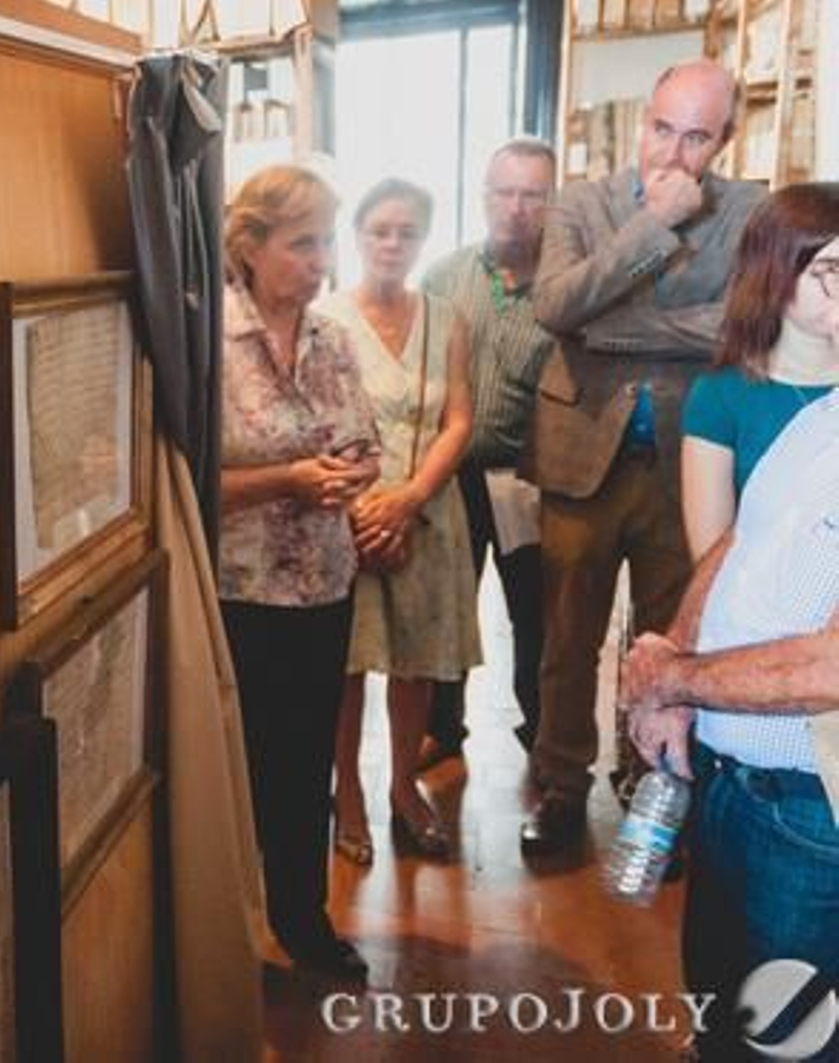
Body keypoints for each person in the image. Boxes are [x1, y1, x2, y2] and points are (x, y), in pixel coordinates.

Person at [519, 60, 765, 856]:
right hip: (581, 454)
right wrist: (651, 225)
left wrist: (608, 322)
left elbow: (739, 329)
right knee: (567, 637)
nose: (675, 151)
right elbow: (556, 306)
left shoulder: (752, 213)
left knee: (668, 641)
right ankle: (559, 787)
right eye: (663, 128)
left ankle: (648, 782)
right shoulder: (581, 203)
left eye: (697, 136)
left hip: (689, 466)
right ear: (642, 122)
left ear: (724, 139)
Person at [620, 212, 839, 1055]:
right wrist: (677, 647)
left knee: (785, 1034)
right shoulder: (819, 417)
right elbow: (739, 541)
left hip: (809, 813)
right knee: (717, 1005)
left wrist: (676, 679)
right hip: (726, 777)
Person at [218, 165, 382, 982]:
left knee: (306, 756)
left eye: (326, 242)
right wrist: (289, 480)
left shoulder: (333, 338)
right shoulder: (205, 343)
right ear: (249, 246)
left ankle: (302, 916)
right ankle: (228, 932)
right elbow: (176, 485)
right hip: (236, 593)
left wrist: (350, 476)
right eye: (303, 243)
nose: (322, 262)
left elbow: (366, 444)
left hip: (325, 582)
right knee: (239, 764)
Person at [318, 178, 479, 865]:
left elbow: (460, 418)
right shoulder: (323, 318)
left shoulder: (446, 318)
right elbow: (313, 427)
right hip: (345, 516)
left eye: (406, 232)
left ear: (423, 240)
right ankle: (346, 788)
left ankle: (403, 785)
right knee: (347, 665)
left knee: (416, 662)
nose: (392, 243)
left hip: (428, 512)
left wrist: (409, 500)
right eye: (379, 229)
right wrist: (363, 510)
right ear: (356, 235)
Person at [422, 138, 558, 765]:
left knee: (534, 611)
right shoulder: (446, 278)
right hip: (449, 475)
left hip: (528, 481)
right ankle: (440, 731)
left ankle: (540, 732)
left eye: (533, 194)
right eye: (505, 192)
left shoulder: (567, 289)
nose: (517, 207)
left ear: (552, 204)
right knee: (447, 607)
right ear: (483, 197)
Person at [681, 184, 839, 560]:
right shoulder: (721, 396)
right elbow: (711, 558)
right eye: (829, 270)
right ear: (776, 273)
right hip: (763, 608)